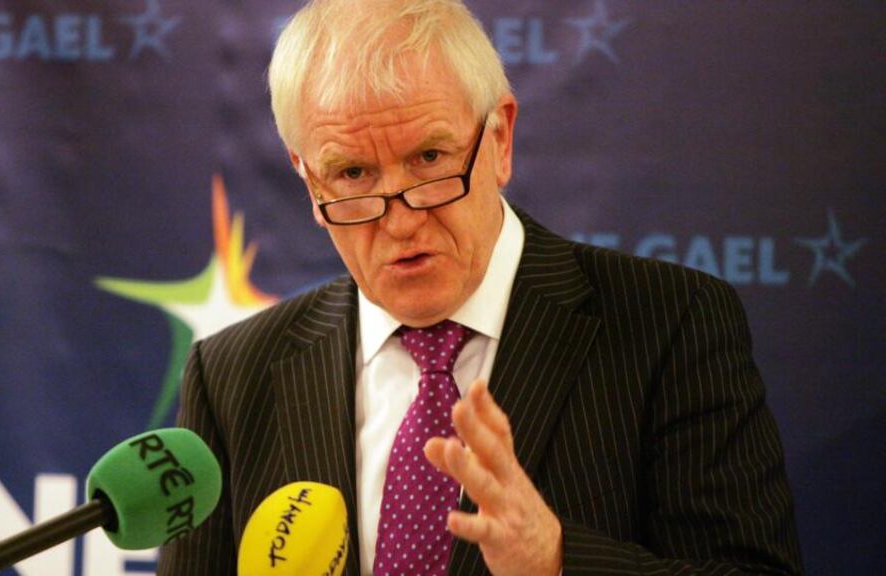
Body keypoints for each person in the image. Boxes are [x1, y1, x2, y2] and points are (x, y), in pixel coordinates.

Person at [157, 0, 803, 574]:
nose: (401, 220)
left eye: (429, 160)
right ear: (308, 179)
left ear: (499, 139)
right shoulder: (233, 375)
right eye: (352, 174)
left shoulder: (671, 326)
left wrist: (555, 561)